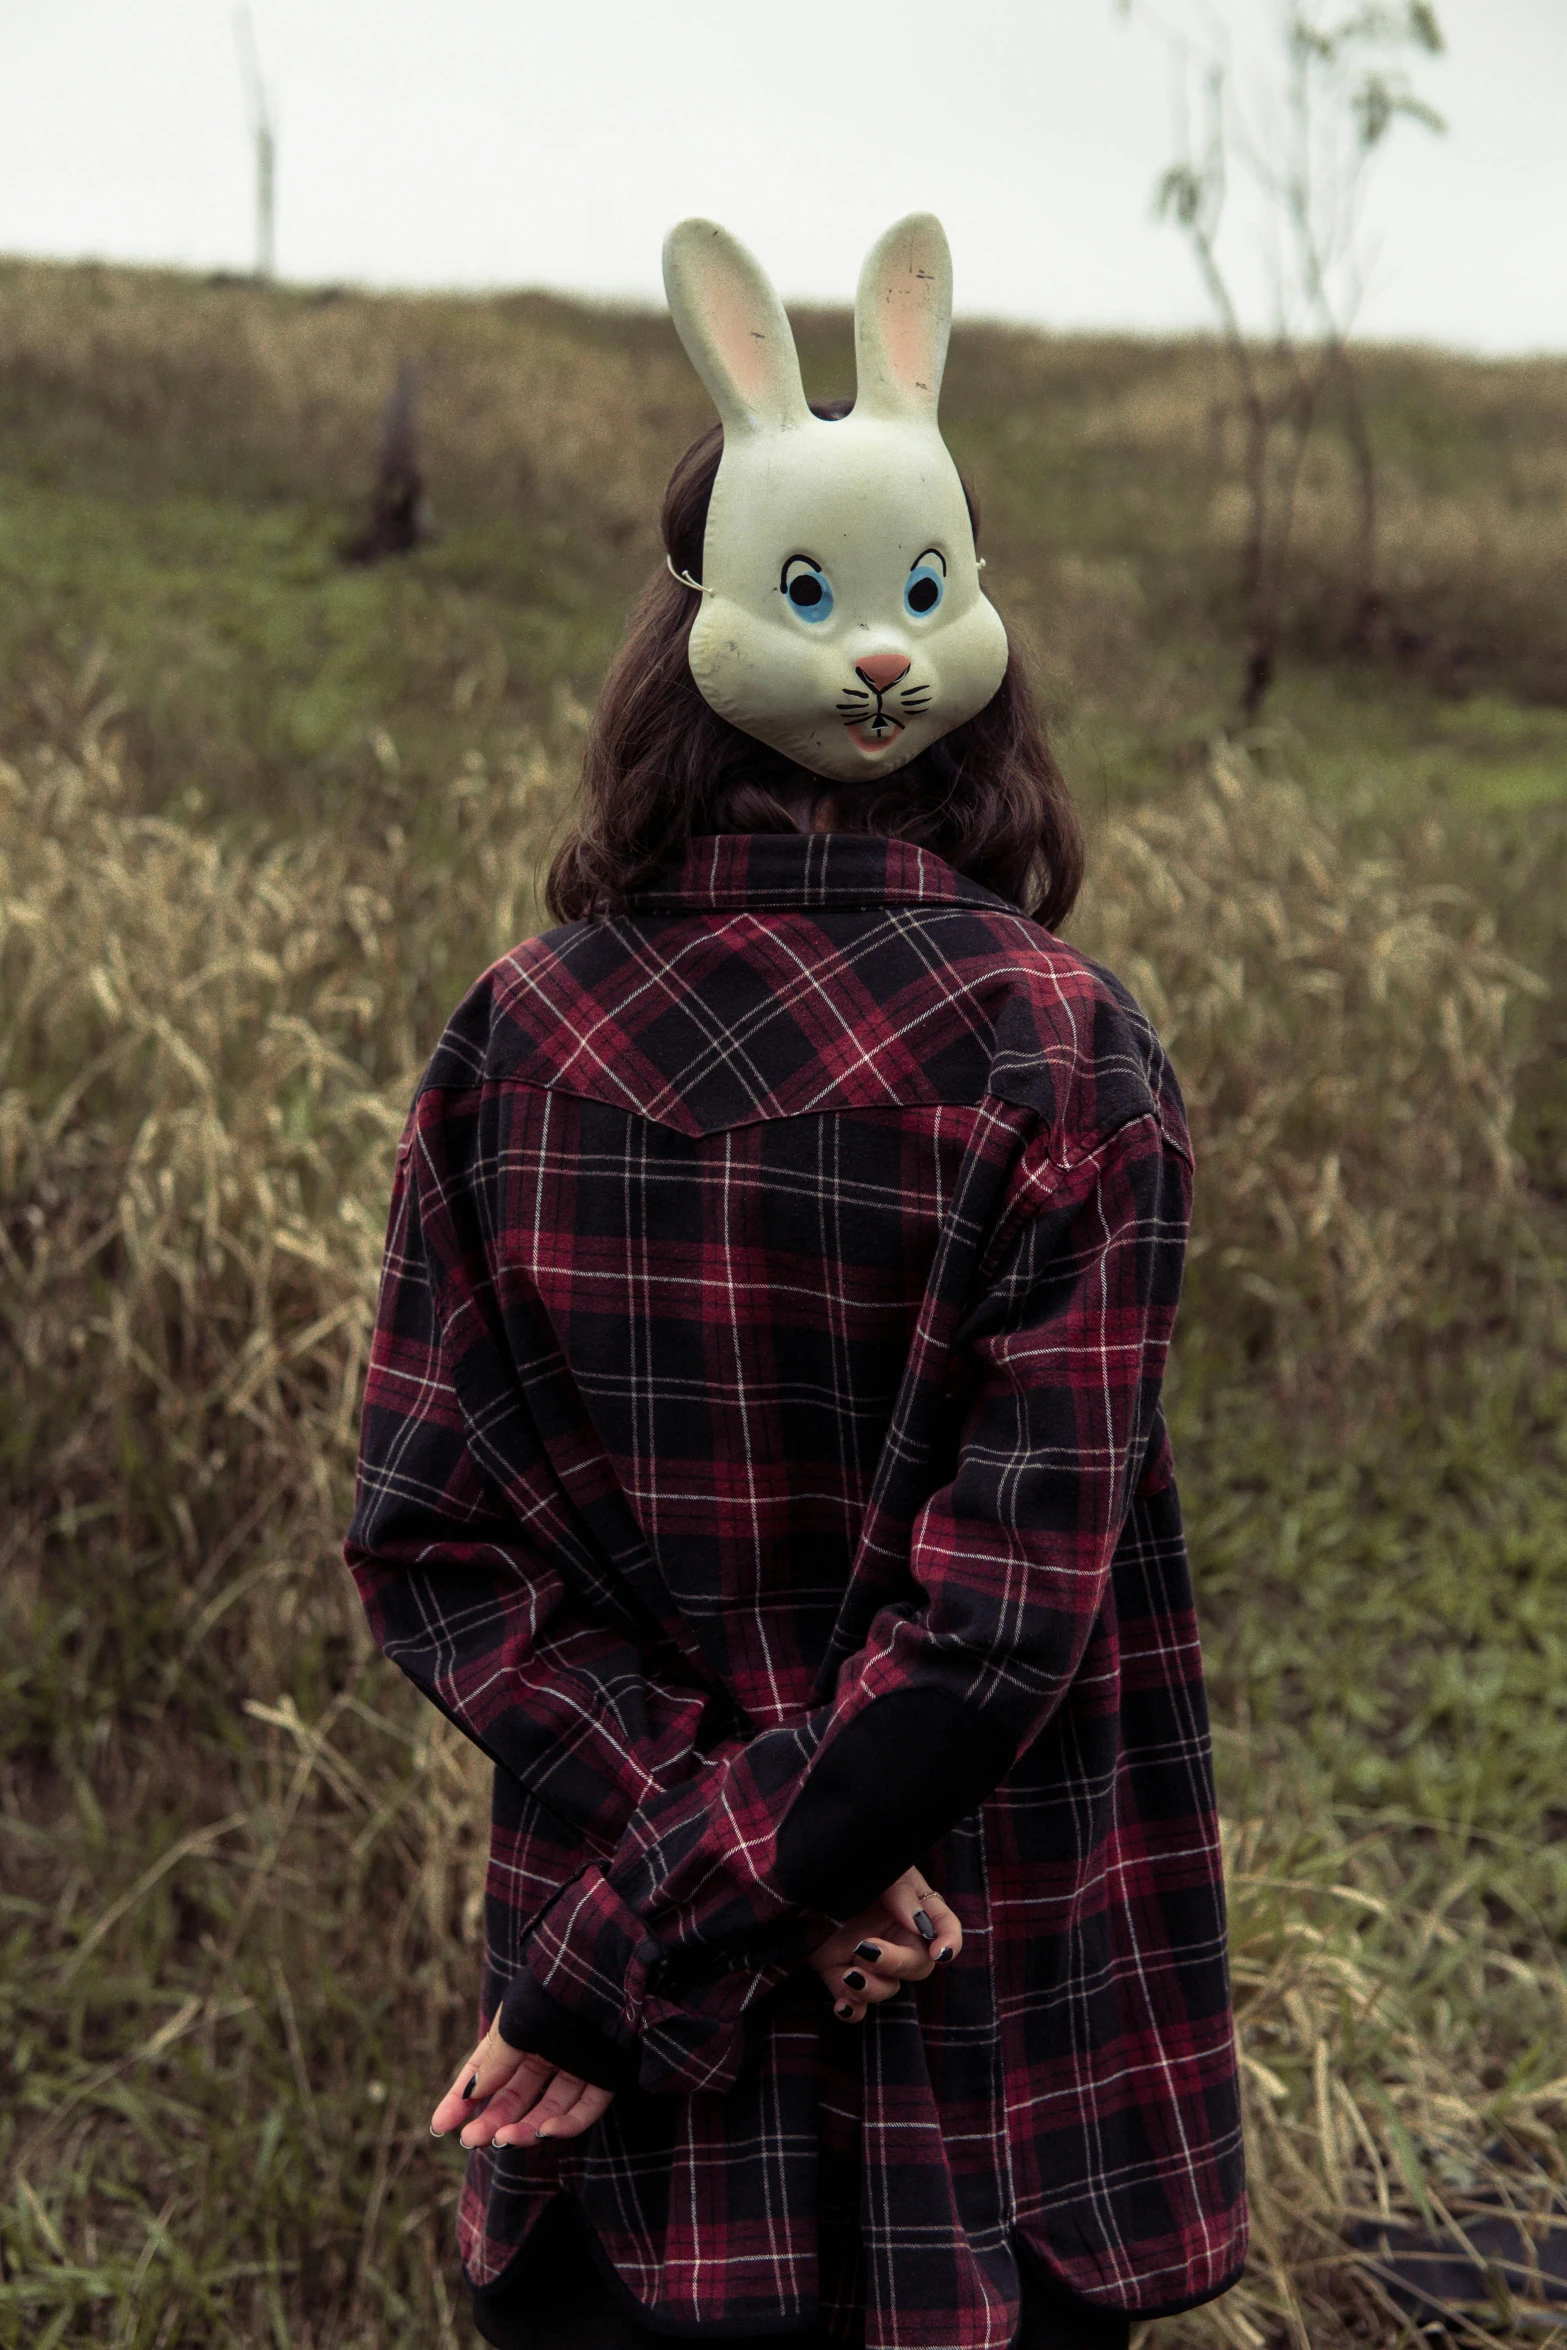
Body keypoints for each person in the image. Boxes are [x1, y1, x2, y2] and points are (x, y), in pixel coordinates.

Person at [345, 214, 1247, 2350]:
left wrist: (637, 1922)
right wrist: (809, 1862)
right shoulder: (1064, 1049)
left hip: (643, 2119)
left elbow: (433, 1543)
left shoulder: (518, 1033)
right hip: (1004, 2100)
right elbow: (994, 1630)